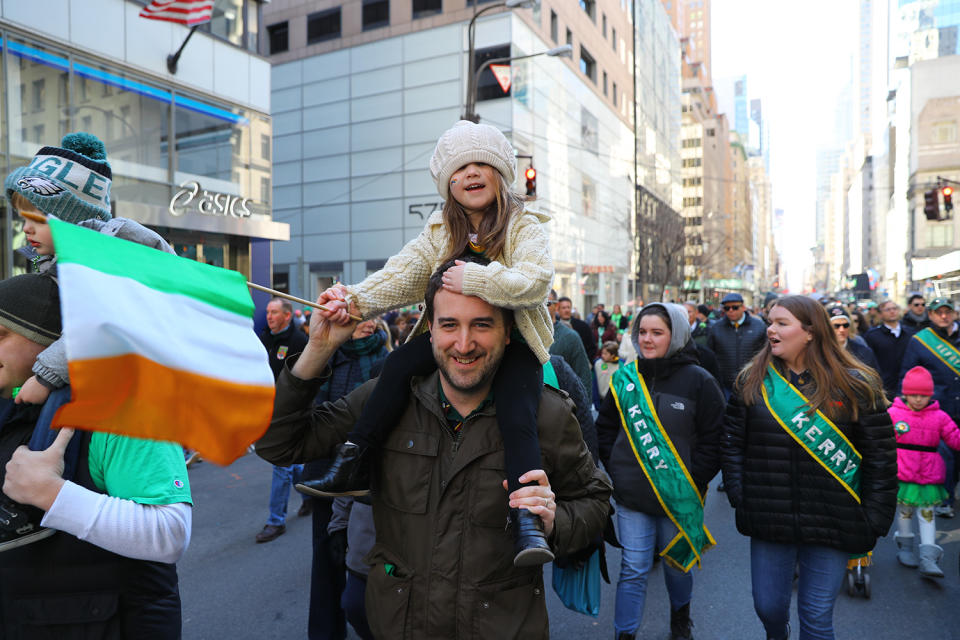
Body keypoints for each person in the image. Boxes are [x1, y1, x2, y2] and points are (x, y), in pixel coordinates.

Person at [256, 258, 612, 639]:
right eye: (449, 325)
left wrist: (555, 520)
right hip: (399, 625)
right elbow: (279, 444)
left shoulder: (548, 414)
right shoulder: (385, 402)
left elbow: (596, 500)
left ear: (508, 332)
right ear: (429, 329)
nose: (463, 344)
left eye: (482, 324)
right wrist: (318, 349)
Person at [301, 121, 557, 565]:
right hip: (452, 336)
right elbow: (401, 274)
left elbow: (536, 282)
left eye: (481, 163)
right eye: (459, 169)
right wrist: (352, 300)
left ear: (501, 174)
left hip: (512, 342)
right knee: (398, 365)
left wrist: (474, 276)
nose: (470, 174)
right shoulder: (440, 230)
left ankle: (528, 523)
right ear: (447, 182)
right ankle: (353, 464)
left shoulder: (523, 225)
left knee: (518, 413)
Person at [0, 273, 191, 636]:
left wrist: (52, 494)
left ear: (51, 342)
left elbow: (170, 533)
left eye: (1, 334)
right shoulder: (10, 398)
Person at [722, 295, 896, 640]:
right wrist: (742, 495)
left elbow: (881, 458)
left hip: (833, 520)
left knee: (816, 617)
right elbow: (731, 445)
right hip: (770, 518)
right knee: (768, 608)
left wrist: (874, 518)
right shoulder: (751, 382)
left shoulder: (856, 384)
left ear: (811, 332)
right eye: (770, 321)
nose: (770, 329)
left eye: (781, 323)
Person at [8, 132, 175, 407]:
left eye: (37, 218)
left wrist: (44, 376)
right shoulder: (57, 263)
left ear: (72, 221)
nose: (26, 228)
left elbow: (104, 322)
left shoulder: (105, 262)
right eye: (23, 218)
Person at [597, 303, 724, 640]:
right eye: (642, 332)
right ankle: (625, 633)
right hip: (632, 497)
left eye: (657, 333)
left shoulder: (700, 381)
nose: (647, 340)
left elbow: (715, 439)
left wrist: (694, 478)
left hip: (679, 497)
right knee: (634, 568)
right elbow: (605, 428)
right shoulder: (625, 379)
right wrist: (618, 469)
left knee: (676, 566)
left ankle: (680, 619)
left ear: (677, 335)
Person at [304, 318, 389, 640]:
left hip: (365, 472)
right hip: (326, 469)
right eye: (359, 318)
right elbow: (312, 414)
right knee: (326, 557)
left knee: (362, 559)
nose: (366, 324)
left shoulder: (385, 357)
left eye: (370, 317)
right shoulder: (330, 359)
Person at [888, 366, 960, 578]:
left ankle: (928, 556)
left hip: (929, 473)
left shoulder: (940, 417)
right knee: (905, 511)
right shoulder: (893, 414)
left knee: (927, 513)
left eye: (923, 395)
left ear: (930, 395)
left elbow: (955, 438)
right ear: (905, 393)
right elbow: (880, 439)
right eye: (913, 395)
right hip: (902, 473)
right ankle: (905, 547)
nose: (918, 399)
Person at [898, 297, 960, 518]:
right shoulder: (920, 341)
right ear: (931, 315)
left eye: (947, 312)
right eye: (938, 312)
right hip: (937, 410)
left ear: (953, 313)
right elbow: (908, 374)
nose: (944, 316)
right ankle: (946, 500)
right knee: (945, 457)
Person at [256, 296, 310, 543]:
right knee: (293, 465)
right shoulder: (263, 337)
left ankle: (275, 521)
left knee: (281, 464)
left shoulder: (299, 341)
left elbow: (308, 376)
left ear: (287, 316)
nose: (269, 316)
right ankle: (310, 494)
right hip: (266, 407)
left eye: (274, 312)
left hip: (289, 411)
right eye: (268, 311)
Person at [706, 292, 768, 400]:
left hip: (752, 383)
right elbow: (710, 354)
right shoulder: (716, 328)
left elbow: (766, 353)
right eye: (726, 308)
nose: (731, 311)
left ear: (743, 307)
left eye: (735, 307)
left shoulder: (759, 326)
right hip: (724, 384)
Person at [864, 300, 916, 400]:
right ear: (880, 314)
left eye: (894, 309)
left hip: (909, 385)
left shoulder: (911, 333)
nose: (892, 312)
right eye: (887, 309)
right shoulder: (872, 336)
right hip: (885, 387)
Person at [548, 290, 593, 396]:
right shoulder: (524, 336)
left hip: (562, 406)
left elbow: (583, 376)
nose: (541, 308)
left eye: (547, 303)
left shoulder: (571, 336)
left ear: (556, 306)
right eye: (537, 304)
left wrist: (584, 410)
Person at [828, 308, 880, 373]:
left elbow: (875, 377)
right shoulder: (819, 352)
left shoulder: (864, 352)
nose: (842, 330)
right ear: (827, 327)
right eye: (836, 326)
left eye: (845, 325)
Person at [558, 295, 598, 362]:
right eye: (563, 308)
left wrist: (586, 362)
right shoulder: (552, 326)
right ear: (558, 309)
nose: (567, 310)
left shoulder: (583, 326)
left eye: (568, 307)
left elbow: (592, 347)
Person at [592, 340, 620, 410]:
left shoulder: (621, 366)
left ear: (612, 355)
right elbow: (594, 383)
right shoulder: (597, 363)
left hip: (615, 402)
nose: (602, 355)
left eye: (605, 354)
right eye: (602, 353)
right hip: (601, 401)